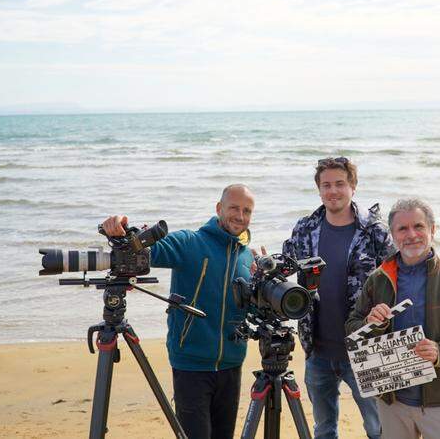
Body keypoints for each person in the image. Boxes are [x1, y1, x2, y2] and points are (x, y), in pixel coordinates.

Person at [101, 184, 256, 439]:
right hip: (191, 363)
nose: (240, 216)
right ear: (219, 209)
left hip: (232, 362)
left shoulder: (247, 257)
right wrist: (122, 229)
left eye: (247, 211)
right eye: (234, 208)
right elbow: (148, 249)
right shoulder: (190, 242)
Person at [346, 198, 440, 439]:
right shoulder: (378, 280)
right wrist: (369, 323)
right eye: (402, 228)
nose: (411, 234)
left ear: (432, 230)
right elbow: (352, 329)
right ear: (392, 235)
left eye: (418, 226)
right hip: (391, 399)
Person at [282, 157, 394, 439]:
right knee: (324, 430)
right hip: (317, 350)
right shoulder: (305, 229)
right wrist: (261, 266)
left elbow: (400, 277)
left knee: (378, 428)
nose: (333, 191)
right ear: (319, 190)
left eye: (340, 184)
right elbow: (285, 266)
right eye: (326, 185)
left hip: (365, 349)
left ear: (353, 186)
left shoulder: (375, 231)